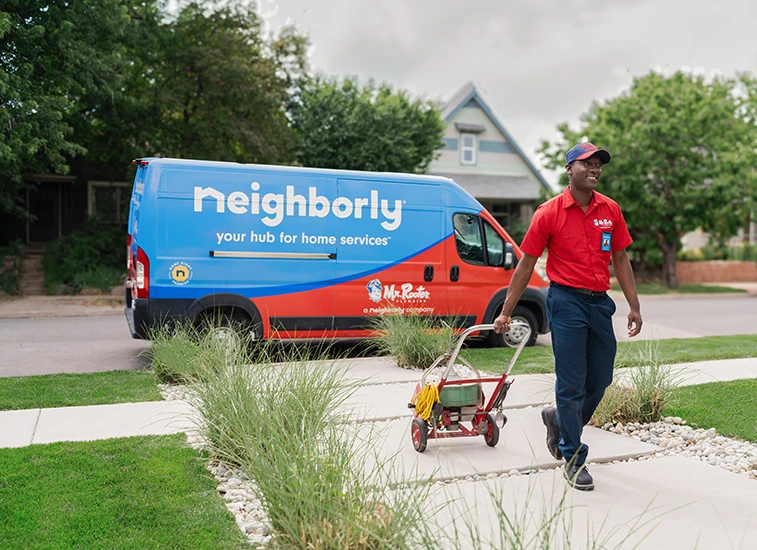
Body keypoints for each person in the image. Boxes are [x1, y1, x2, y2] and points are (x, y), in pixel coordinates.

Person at [494, 142, 642, 491]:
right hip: (565, 302)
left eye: (598, 164)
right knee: (572, 383)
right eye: (587, 163)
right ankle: (573, 457)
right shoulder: (548, 213)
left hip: (599, 303)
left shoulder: (611, 210)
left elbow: (620, 259)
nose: (595, 169)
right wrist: (506, 311)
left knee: (601, 379)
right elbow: (526, 264)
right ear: (569, 169)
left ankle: (558, 419)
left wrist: (634, 305)